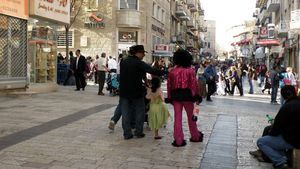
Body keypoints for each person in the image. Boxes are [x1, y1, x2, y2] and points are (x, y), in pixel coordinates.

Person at [119, 45, 164, 140]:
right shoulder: (138, 63)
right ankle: (138, 132)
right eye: (143, 53)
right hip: (136, 91)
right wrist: (166, 72)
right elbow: (151, 70)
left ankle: (127, 134)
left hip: (124, 91)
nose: (144, 55)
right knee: (140, 111)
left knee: (125, 113)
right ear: (138, 53)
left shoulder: (123, 61)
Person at [254, 85, 300, 169]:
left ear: (283, 96)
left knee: (261, 142)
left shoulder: (287, 106)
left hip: (293, 140)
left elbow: (276, 128)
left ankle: (280, 161)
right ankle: (284, 157)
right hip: (295, 137)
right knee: (270, 133)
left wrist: (272, 129)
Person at [167, 49, 203, 147]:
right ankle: (195, 136)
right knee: (191, 118)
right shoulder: (190, 71)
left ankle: (178, 140)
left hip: (175, 97)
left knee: (177, 118)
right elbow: (194, 85)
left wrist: (170, 97)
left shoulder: (172, 72)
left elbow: (169, 86)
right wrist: (197, 97)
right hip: (188, 97)